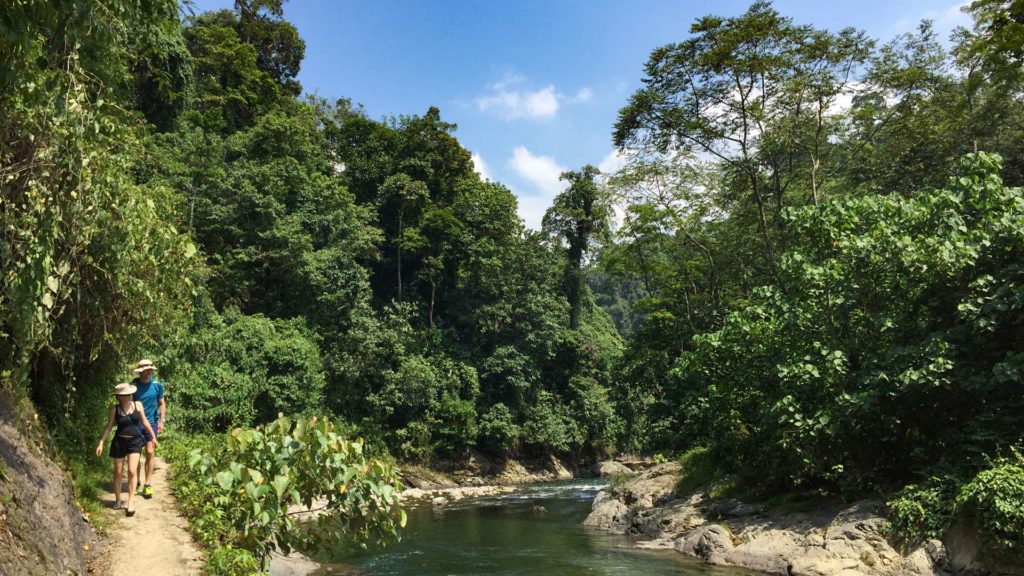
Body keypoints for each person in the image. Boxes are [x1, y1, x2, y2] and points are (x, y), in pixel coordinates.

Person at [95, 383, 158, 517]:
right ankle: (118, 500)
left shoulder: (138, 405)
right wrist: (101, 443)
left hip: (135, 442)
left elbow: (145, 422)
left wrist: (153, 437)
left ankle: (130, 502)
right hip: (119, 442)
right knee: (118, 472)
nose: (128, 397)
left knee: (132, 470)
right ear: (119, 397)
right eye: (125, 395)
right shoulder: (115, 410)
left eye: (129, 394)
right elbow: (109, 427)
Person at [131, 359, 165, 498]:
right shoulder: (133, 386)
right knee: (136, 453)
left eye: (150, 370)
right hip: (135, 423)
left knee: (150, 451)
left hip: (151, 423)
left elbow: (162, 403)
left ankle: (148, 483)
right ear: (140, 372)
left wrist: (162, 420)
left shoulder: (157, 386)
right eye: (146, 370)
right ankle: (136, 480)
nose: (148, 372)